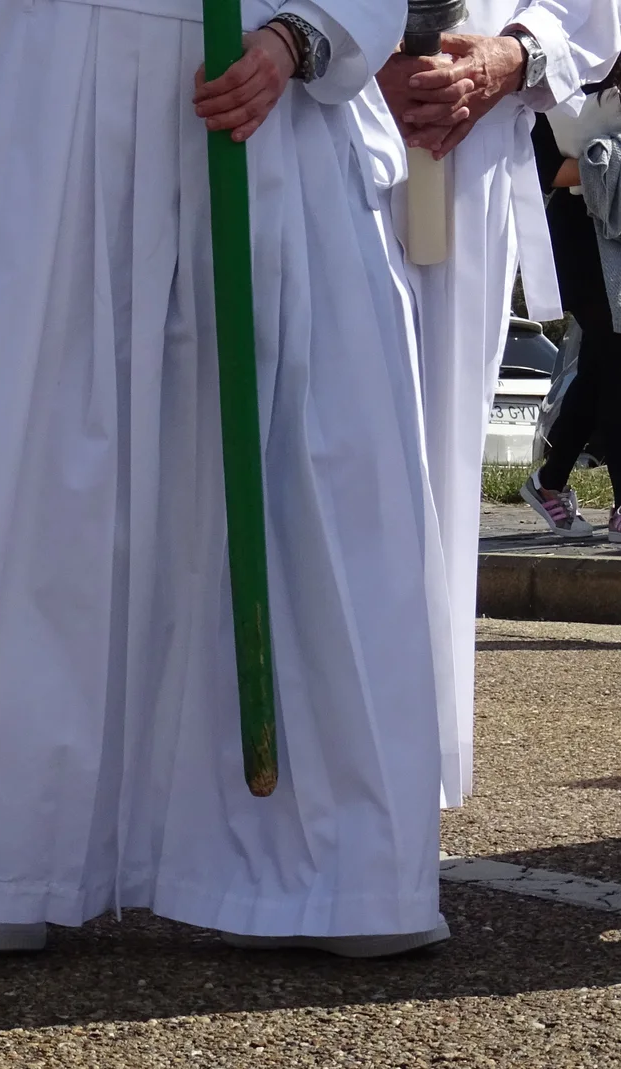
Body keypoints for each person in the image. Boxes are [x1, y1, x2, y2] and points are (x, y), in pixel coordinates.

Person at [0, 0, 452, 958]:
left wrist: (299, 38)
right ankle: (21, 848)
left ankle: (323, 862)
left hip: (258, 104)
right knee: (38, 471)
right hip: (51, 110)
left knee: (300, 478)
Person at [362, 0, 621, 806]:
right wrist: (326, 44)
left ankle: (403, 761)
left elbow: (588, 14)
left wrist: (512, 56)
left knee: (435, 461)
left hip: (467, 151)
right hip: (308, 126)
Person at [525, 77, 621, 536]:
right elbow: (541, 167)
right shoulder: (563, 90)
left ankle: (549, 480)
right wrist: (603, 165)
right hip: (585, 245)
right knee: (614, 363)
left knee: (602, 366)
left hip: (614, 244)